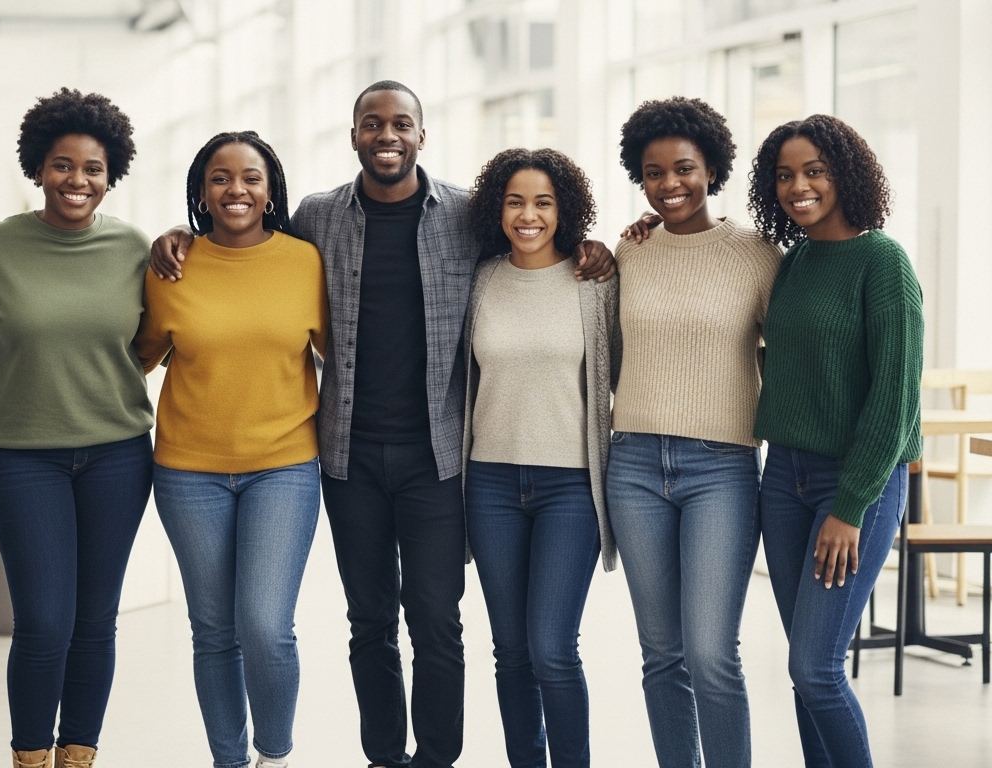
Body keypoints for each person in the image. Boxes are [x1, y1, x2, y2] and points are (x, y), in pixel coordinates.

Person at [150, 81, 615, 768]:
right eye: (372, 123)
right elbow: (249, 250)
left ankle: (436, 757)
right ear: (354, 135)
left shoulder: (464, 214)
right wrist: (179, 236)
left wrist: (593, 247)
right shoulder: (316, 216)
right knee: (369, 621)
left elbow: (533, 240)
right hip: (347, 456)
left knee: (435, 620)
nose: (387, 134)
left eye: (401, 123)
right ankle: (384, 757)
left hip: (437, 458)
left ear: (422, 135)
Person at [0, 88, 153, 768]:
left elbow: (166, 334)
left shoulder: (134, 247)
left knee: (95, 622)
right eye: (63, 165)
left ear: (111, 173)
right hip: (23, 458)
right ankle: (30, 758)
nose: (77, 181)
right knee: (42, 624)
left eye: (92, 168)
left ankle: (79, 758)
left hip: (119, 456)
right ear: (39, 167)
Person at [135, 131, 327, 768]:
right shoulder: (171, 266)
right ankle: (228, 760)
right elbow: (138, 358)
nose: (236, 190)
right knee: (214, 631)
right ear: (201, 191)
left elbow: (343, 354)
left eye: (250, 177)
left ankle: (273, 755)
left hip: (284, 466)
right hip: (189, 472)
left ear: (271, 189)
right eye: (220, 178)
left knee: (266, 627)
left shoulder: (305, 261)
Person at [605, 96, 782, 768]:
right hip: (634, 465)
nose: (669, 184)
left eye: (683, 168)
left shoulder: (757, 255)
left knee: (711, 652)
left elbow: (793, 353)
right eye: (653, 172)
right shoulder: (631, 248)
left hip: (721, 468)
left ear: (712, 168)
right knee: (662, 653)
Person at [749, 115, 922, 768]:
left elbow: (896, 399)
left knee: (817, 668)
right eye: (785, 175)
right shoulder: (793, 265)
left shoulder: (882, 262)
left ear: (845, 174)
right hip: (783, 480)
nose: (798, 186)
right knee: (804, 670)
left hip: (856, 485)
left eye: (814, 170)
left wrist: (850, 505)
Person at [460, 148, 619, 768]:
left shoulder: (594, 280)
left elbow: (627, 370)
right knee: (511, 650)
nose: (529, 215)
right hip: (492, 483)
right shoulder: (481, 279)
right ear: (497, 210)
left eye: (544, 202)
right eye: (516, 201)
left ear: (565, 210)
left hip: (571, 487)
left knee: (552, 647)